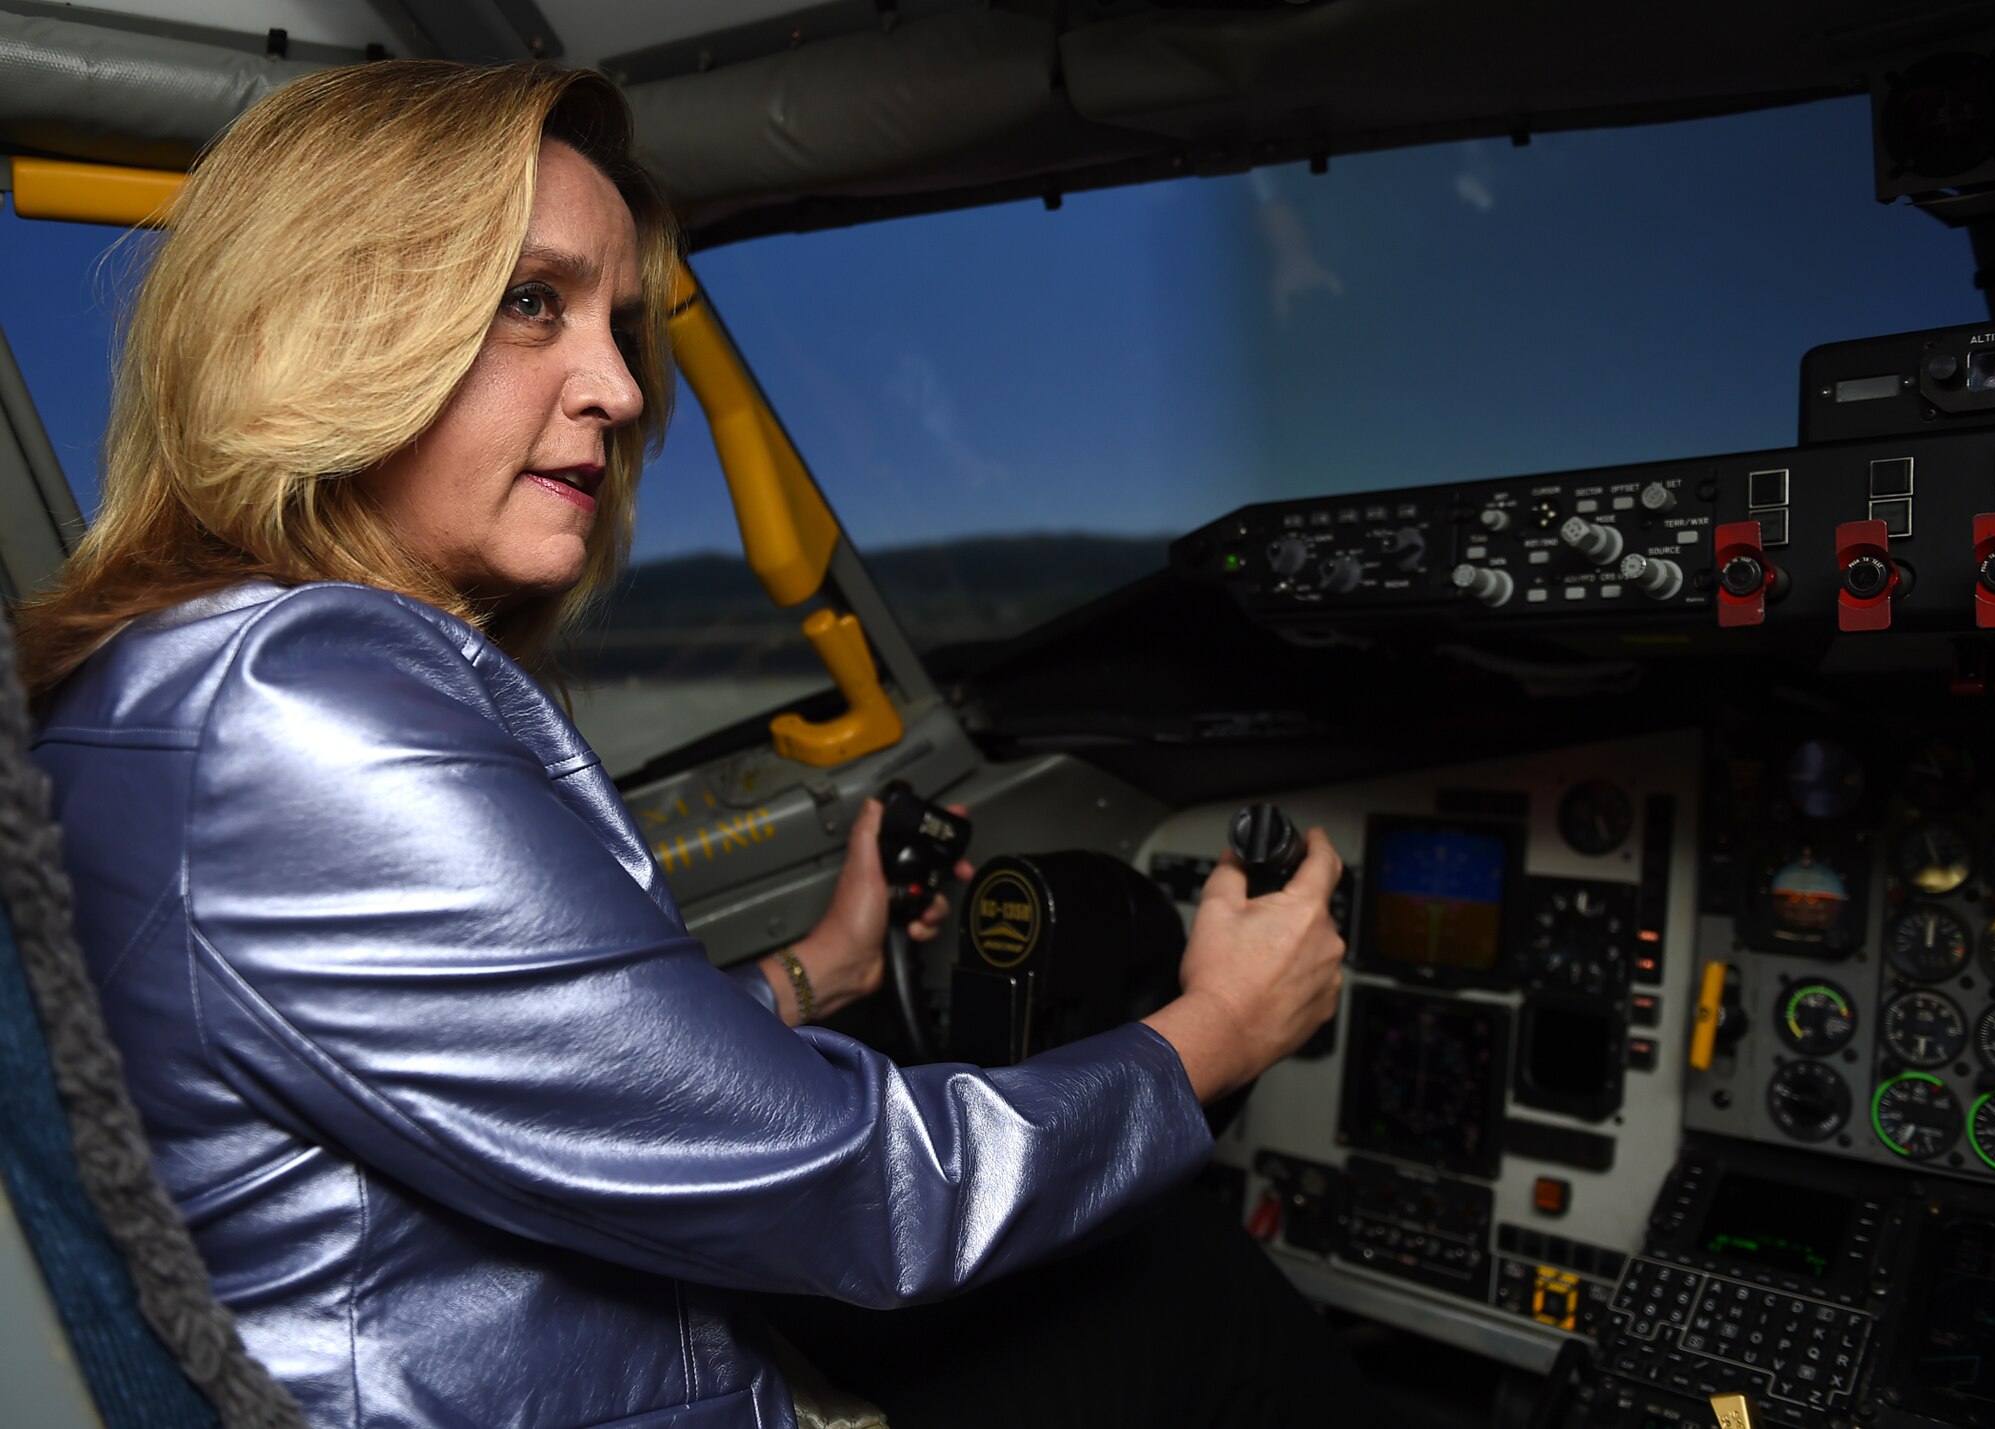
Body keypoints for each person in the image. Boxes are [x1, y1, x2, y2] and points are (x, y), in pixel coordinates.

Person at [13, 61, 1350, 1428]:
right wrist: (1217, 1031)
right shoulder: (301, 716)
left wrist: (812, 972)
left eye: (621, 321)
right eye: (534, 300)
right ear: (326, 322)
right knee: (1191, 1293)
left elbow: (520, 1056)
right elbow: (872, 1198)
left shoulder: (167, 685)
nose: (623, 388)